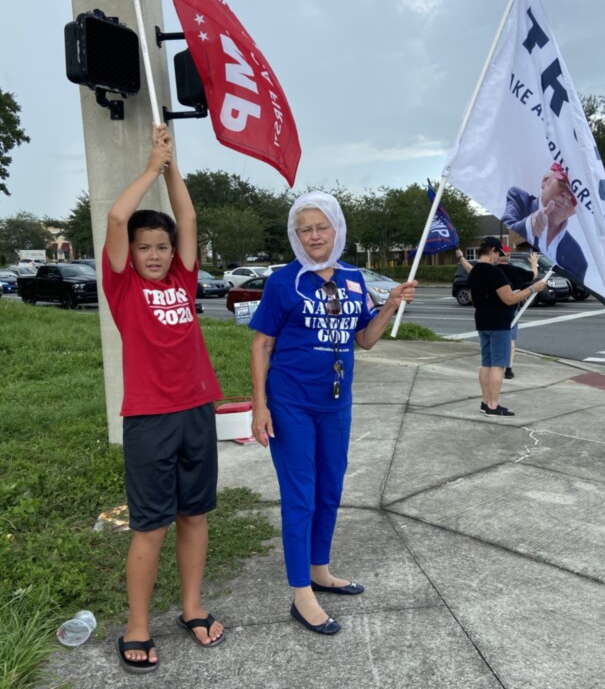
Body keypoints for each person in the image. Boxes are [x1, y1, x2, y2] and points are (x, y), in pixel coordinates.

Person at [249, 191, 417, 636]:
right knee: (300, 494)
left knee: (330, 488)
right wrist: (259, 407)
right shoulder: (284, 282)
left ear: (336, 228)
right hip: (291, 403)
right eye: (305, 228)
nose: (314, 235)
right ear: (295, 235)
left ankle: (319, 568)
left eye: (321, 226)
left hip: (336, 403)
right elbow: (261, 344)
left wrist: (390, 305)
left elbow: (364, 340)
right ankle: (300, 592)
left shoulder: (353, 277)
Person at [104, 124, 225, 674]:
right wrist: (151, 167)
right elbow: (114, 218)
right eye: (144, 248)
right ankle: (136, 625)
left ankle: (192, 608)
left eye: (161, 247)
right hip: (150, 420)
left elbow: (191, 219)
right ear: (130, 253)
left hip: (196, 410)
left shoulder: (182, 278)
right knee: (150, 524)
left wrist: (174, 166)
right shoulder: (123, 286)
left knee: (194, 515)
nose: (154, 255)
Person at [461, 237, 544, 416]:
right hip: (499, 322)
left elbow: (473, 297)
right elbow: (509, 299)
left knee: (486, 363)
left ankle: (485, 401)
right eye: (498, 252)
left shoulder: (474, 272)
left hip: (482, 320)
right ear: (492, 251)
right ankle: (492, 405)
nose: (499, 256)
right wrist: (532, 289)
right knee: (498, 365)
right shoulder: (495, 273)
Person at [501, 163, 587, 282]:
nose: (567, 195)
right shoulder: (519, 199)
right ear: (545, 181)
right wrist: (530, 223)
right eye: (563, 184)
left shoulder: (578, 260)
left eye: (575, 194)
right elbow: (507, 224)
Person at [497, 246, 538, 378]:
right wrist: (533, 263)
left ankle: (496, 365)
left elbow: (472, 270)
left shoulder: (492, 271)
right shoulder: (516, 271)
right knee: (510, 339)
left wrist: (462, 258)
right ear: (508, 256)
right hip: (512, 309)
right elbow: (533, 275)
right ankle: (508, 369)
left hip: (494, 309)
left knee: (495, 339)